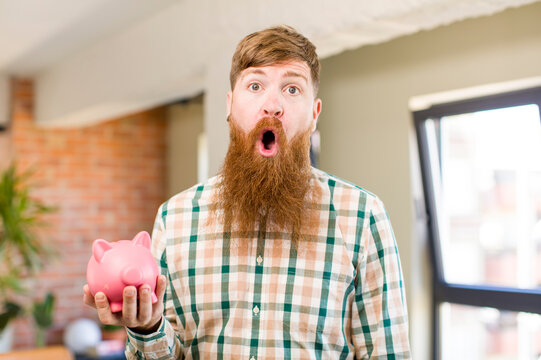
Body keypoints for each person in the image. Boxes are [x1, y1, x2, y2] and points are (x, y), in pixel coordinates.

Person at [84, 25, 411, 359]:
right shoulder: (175, 218)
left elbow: (388, 353)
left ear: (314, 116)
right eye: (255, 85)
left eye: (292, 89)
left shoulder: (362, 215)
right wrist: (147, 328)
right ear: (229, 106)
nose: (272, 105)